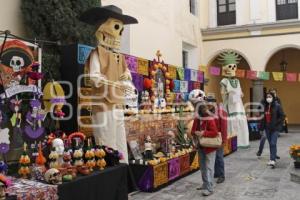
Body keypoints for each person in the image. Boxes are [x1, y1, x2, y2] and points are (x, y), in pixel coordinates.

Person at [191, 105, 218, 196]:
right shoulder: (197, 120)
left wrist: (203, 133)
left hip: (210, 147)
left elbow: (214, 132)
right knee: (203, 167)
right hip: (200, 146)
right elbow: (192, 131)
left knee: (209, 167)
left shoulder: (210, 119)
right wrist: (195, 132)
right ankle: (205, 184)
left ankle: (210, 188)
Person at [206, 95, 228, 184]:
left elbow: (224, 127)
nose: (208, 104)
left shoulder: (221, 112)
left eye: (210, 103)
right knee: (214, 157)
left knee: (219, 157)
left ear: (214, 103)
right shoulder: (209, 111)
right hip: (211, 137)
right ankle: (216, 173)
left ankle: (222, 175)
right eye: (207, 103)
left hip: (219, 137)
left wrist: (224, 140)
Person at [259, 92, 285, 168]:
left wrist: (276, 124)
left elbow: (282, 116)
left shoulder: (277, 106)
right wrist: (261, 128)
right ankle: (272, 159)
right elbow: (263, 118)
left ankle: (273, 160)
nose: (268, 98)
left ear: (273, 97)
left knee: (273, 143)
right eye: (267, 97)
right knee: (271, 144)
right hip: (267, 128)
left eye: (270, 96)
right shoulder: (265, 106)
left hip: (275, 128)